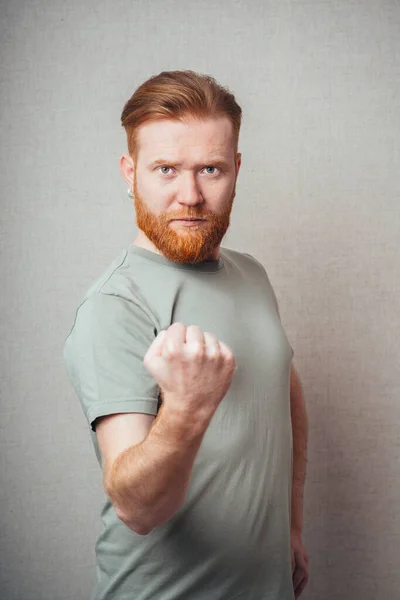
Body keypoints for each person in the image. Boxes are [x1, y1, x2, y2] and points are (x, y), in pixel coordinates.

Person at [63, 69, 309, 600]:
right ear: (130, 173)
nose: (190, 195)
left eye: (211, 169)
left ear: (236, 170)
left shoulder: (251, 274)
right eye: (166, 169)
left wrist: (289, 528)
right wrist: (188, 409)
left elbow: (284, 396)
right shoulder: (116, 304)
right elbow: (137, 508)